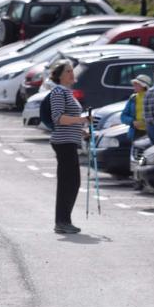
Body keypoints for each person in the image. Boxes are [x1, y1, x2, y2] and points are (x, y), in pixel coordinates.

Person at [48, 60, 90, 234]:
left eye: (72, 71)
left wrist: (81, 130)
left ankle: (64, 220)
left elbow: (69, 119)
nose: (72, 74)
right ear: (59, 75)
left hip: (70, 140)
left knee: (72, 182)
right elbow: (58, 118)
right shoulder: (58, 92)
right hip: (63, 142)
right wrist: (81, 120)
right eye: (68, 71)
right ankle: (62, 221)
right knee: (69, 183)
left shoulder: (68, 92)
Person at [120, 74, 151, 141]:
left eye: (137, 84)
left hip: (150, 133)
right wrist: (132, 122)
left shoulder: (152, 98)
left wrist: (146, 122)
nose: (134, 86)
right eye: (134, 84)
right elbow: (123, 116)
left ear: (143, 86)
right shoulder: (133, 98)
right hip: (136, 133)